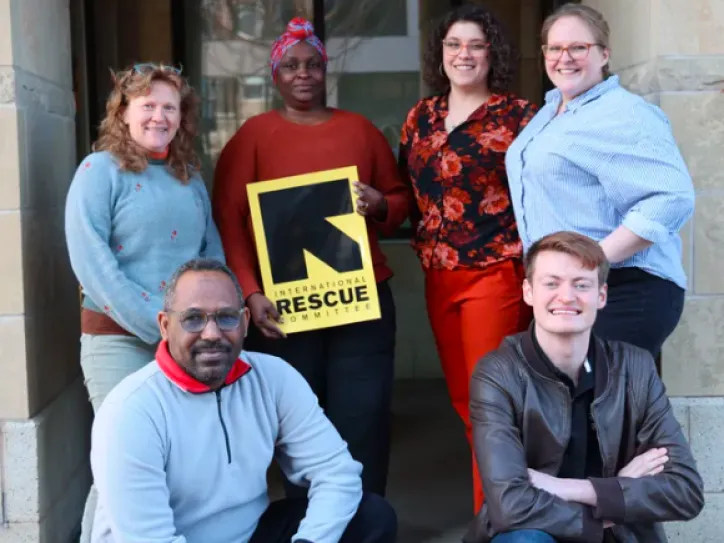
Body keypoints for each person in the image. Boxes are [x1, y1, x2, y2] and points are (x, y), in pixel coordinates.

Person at [212, 17, 410, 497]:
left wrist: (379, 203)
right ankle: (311, 522)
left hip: (361, 301)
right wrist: (250, 291)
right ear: (276, 75)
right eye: (291, 66)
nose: (303, 74)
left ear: (327, 72)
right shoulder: (252, 135)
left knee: (363, 415)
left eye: (314, 65)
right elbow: (229, 218)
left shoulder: (360, 130)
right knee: (297, 421)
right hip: (283, 305)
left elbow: (401, 198)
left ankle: (366, 519)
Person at [88, 258, 396, 543]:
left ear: (245, 322)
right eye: (193, 319)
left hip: (250, 533)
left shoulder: (274, 378)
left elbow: (337, 474)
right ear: (165, 326)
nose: (211, 333)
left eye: (225, 317)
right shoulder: (130, 411)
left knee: (370, 517)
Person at [64, 63, 225, 541]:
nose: (159, 116)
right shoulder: (99, 171)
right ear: (124, 111)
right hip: (119, 341)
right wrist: (159, 326)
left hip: (183, 340)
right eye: (148, 105)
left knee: (176, 461)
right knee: (122, 461)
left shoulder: (189, 178)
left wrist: (210, 321)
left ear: (182, 116)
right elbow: (92, 262)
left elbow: (210, 256)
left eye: (169, 107)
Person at [465, 231, 704, 543]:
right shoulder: (498, 373)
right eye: (551, 283)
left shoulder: (635, 367)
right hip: (537, 534)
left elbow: (686, 491)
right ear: (528, 292)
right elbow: (510, 505)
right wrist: (612, 498)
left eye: (581, 284)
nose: (566, 296)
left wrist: (576, 489)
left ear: (601, 295)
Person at [397, 4, 537, 512]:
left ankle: (496, 515)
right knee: (462, 401)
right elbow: (405, 194)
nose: (464, 54)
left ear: (491, 53)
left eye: (476, 45)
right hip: (437, 274)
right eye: (454, 44)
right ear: (441, 54)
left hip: (495, 271)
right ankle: (500, 504)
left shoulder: (520, 116)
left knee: (490, 402)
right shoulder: (421, 117)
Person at [505, 3, 695, 362]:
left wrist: (591, 259)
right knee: (610, 409)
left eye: (579, 47)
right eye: (555, 48)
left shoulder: (624, 113)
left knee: (606, 408)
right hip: (575, 289)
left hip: (626, 288)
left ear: (604, 54)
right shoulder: (551, 111)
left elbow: (672, 197)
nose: (566, 57)